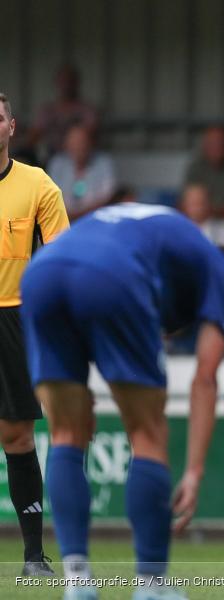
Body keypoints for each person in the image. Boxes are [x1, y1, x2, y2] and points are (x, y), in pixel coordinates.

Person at [19, 203, 224, 600]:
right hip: (111, 276)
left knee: (66, 434)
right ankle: (151, 585)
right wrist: (194, 471)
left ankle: (77, 582)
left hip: (42, 272)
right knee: (147, 434)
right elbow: (205, 378)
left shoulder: (162, 238)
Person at [0, 92, 69, 578]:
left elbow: (62, 257)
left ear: (11, 127)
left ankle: (32, 557)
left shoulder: (37, 185)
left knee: (17, 435)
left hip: (15, 318)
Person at [28, 64, 99, 161]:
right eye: (63, 81)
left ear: (77, 83)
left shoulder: (86, 109)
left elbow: (90, 134)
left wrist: (73, 143)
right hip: (51, 156)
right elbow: (34, 136)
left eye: (70, 81)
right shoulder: (48, 110)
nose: (66, 85)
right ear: (56, 83)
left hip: (79, 156)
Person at [47, 123, 117, 220]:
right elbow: (51, 196)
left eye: (82, 141)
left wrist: (78, 216)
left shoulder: (104, 162)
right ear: (66, 144)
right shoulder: (58, 164)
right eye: (74, 141)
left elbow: (107, 197)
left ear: (90, 143)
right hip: (62, 222)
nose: (79, 146)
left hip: (94, 220)